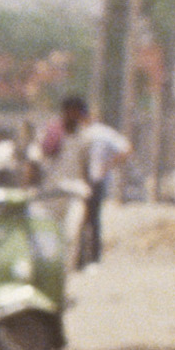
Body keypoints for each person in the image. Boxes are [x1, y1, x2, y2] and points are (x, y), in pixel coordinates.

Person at [58, 92, 129, 266]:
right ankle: (80, 257)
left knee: (91, 220)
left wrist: (106, 166)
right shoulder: (74, 133)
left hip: (94, 181)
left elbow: (126, 149)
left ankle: (91, 258)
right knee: (80, 219)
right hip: (78, 181)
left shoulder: (100, 133)